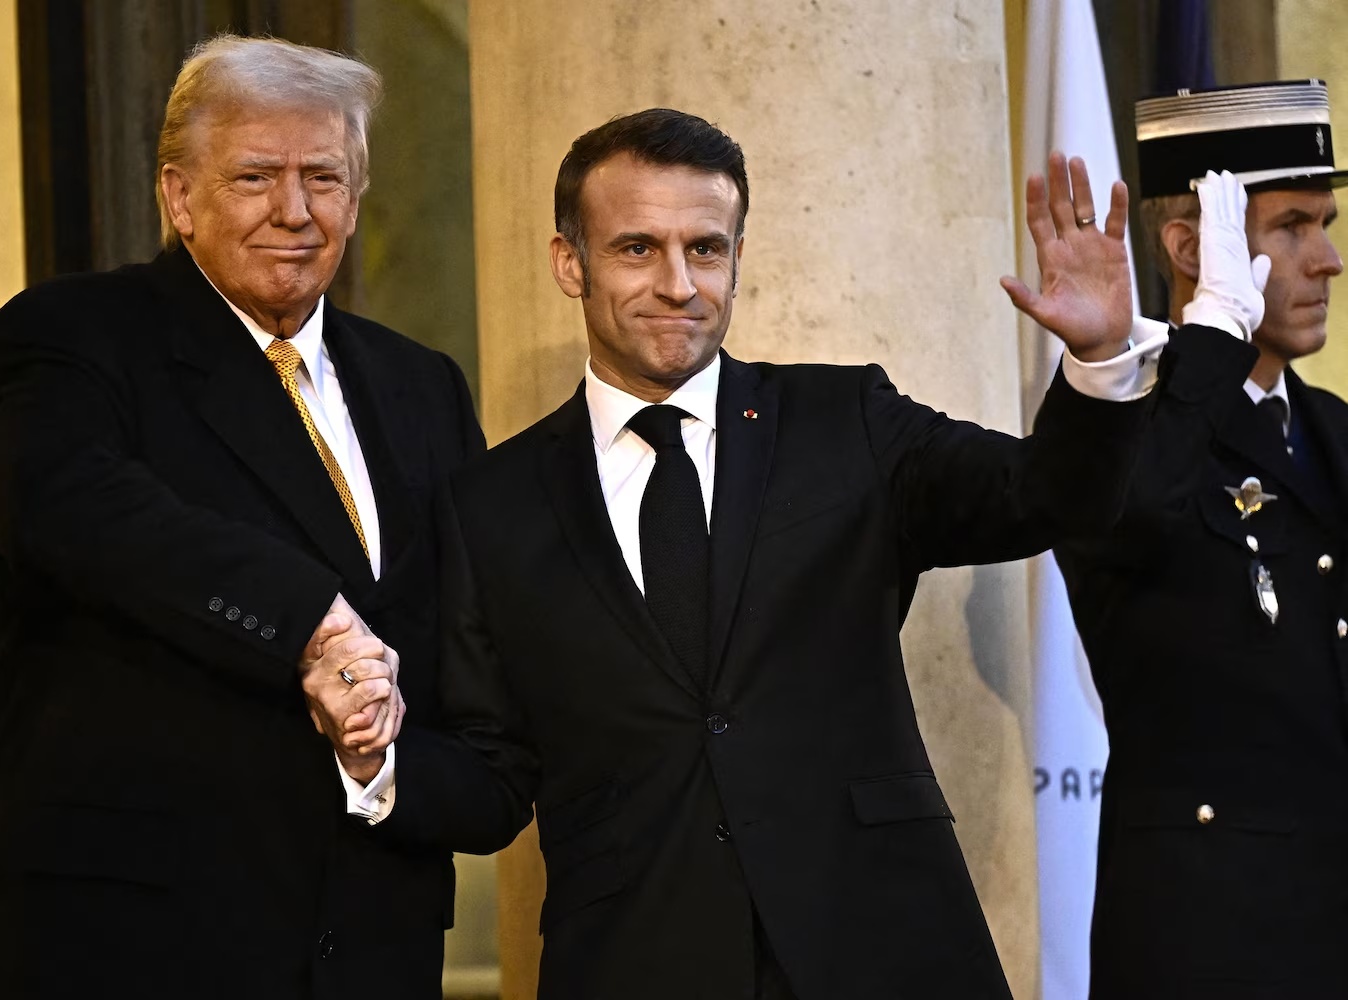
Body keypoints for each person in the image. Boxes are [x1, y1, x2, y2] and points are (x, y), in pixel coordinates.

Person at [347, 108, 1259, 999]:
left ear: (739, 258)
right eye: (638, 249)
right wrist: (374, 764)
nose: (679, 284)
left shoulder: (846, 420)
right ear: (569, 262)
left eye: (707, 249)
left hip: (882, 947)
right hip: (636, 960)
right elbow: (494, 773)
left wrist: (1098, 364)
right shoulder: (490, 505)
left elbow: (1044, 497)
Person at [0, 35, 479, 999]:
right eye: (254, 176)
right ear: (179, 197)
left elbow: (465, 642)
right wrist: (312, 622)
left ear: (356, 198)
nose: (294, 210)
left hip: (373, 947)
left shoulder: (423, 387)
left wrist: (397, 774)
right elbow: (86, 513)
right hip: (138, 950)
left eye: (323, 177)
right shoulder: (69, 338)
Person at [1054, 79, 1348, 998]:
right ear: (1191, 248)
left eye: (1326, 224)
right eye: (1292, 227)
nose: (1329, 260)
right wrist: (1214, 338)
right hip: (1208, 935)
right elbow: (1132, 514)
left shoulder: (1336, 433)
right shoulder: (1120, 422)